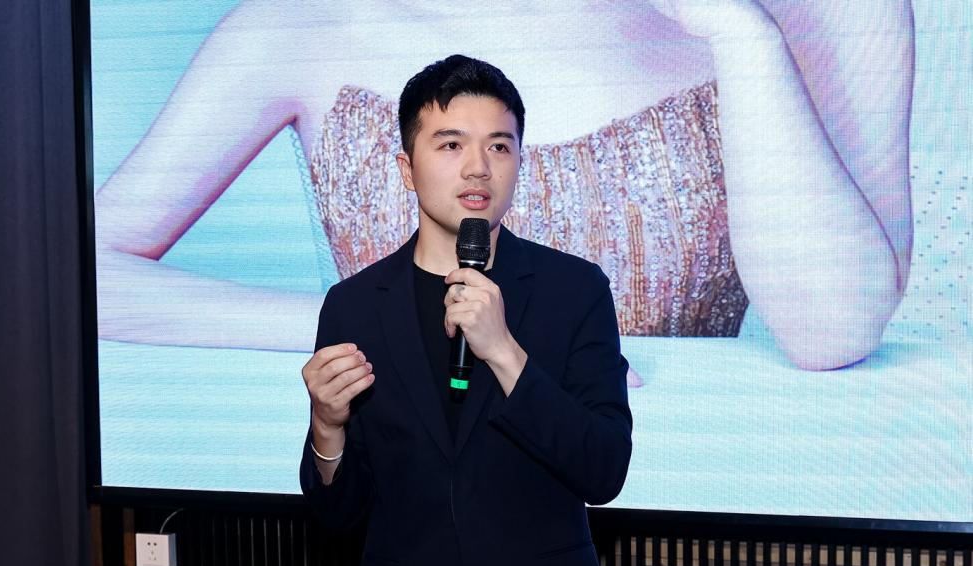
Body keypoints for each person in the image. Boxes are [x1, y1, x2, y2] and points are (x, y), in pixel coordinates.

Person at [95, 0, 913, 379]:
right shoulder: (306, 25)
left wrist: (740, 33)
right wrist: (390, 328)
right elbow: (83, 275)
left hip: (695, 526)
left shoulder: (830, 13)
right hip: (424, 513)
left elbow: (833, 332)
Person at [300, 55, 632, 566]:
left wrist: (505, 352)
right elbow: (339, 514)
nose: (478, 168)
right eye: (451, 144)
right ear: (406, 167)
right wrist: (327, 429)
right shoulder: (355, 305)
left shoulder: (574, 292)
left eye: (499, 146)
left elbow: (603, 468)